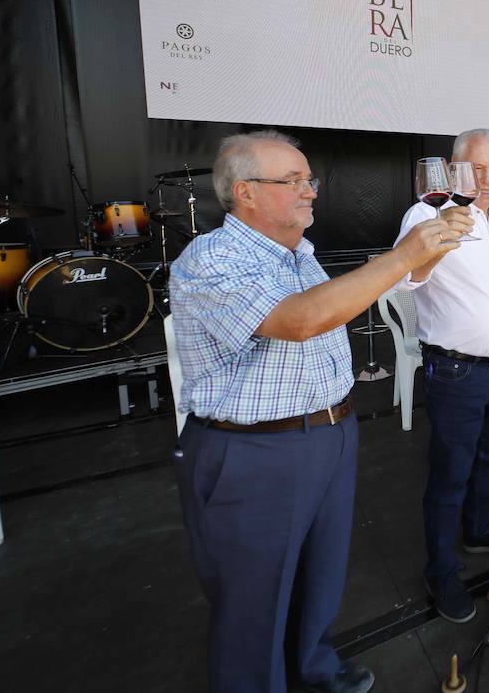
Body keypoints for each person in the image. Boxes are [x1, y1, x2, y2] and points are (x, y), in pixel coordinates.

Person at [170, 130, 470, 693]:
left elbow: (333, 310)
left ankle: (314, 670)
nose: (311, 190)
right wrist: (405, 253)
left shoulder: (298, 253)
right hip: (253, 452)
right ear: (245, 192)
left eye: (310, 179)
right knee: (253, 601)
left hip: (327, 435)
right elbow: (301, 320)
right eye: (294, 181)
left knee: (320, 577)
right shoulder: (211, 258)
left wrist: (422, 261)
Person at [395, 129, 489, 624]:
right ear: (455, 170)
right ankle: (441, 570)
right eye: (478, 169)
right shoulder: (428, 214)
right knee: (450, 475)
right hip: (457, 371)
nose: (488, 179)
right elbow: (405, 276)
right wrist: (439, 240)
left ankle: (482, 528)